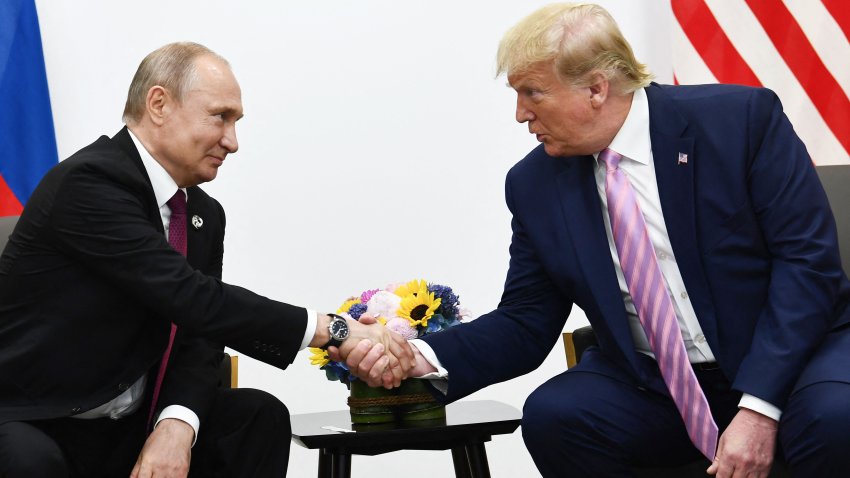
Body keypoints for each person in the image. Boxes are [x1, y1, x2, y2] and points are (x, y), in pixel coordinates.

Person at [337, 3, 850, 477]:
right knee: (559, 416)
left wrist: (759, 407)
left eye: (532, 93)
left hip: (791, 362)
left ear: (596, 88)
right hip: (657, 383)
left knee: (835, 418)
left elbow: (808, 267)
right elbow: (525, 321)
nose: (520, 114)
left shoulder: (739, 123)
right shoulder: (535, 184)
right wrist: (418, 356)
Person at [0, 42, 412, 478]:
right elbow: (192, 297)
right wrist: (333, 329)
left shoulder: (202, 214)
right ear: (158, 104)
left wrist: (177, 424)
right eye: (221, 117)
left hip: (123, 424)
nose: (232, 142)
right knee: (29, 460)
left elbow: (200, 335)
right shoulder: (88, 183)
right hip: (34, 416)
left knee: (256, 416)